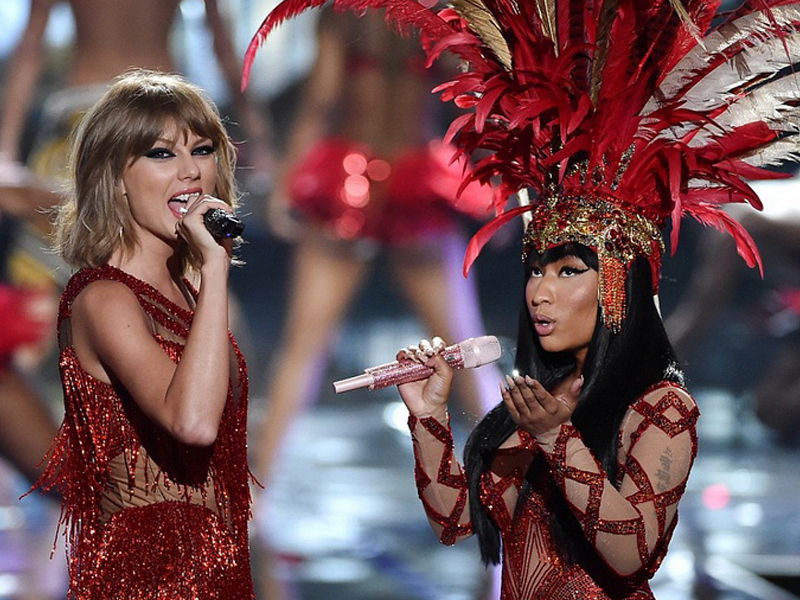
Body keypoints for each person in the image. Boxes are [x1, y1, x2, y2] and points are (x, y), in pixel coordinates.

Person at [243, 0, 800, 597]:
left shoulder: (661, 410)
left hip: (372, 176)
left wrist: (557, 438)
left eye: (566, 271)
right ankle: (254, 495)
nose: (539, 290)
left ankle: (254, 492)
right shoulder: (537, 402)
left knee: (317, 343)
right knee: (352, 345)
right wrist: (428, 420)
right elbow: (458, 519)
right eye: (537, 271)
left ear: (616, 282)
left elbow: (630, 554)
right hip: (396, 175)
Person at [29, 69, 255, 599]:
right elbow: (192, 423)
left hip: (221, 570)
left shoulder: (194, 297)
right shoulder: (103, 298)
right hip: (147, 575)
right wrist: (216, 268)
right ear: (114, 176)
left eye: (202, 150)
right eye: (161, 154)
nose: (190, 171)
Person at [251, 7, 497, 486]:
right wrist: (495, 182)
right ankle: (519, 488)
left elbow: (321, 103)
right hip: (416, 176)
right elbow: (473, 102)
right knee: (466, 349)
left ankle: (259, 492)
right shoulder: (437, 16)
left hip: (348, 179)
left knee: (302, 347)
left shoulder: (343, 15)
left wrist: (285, 186)